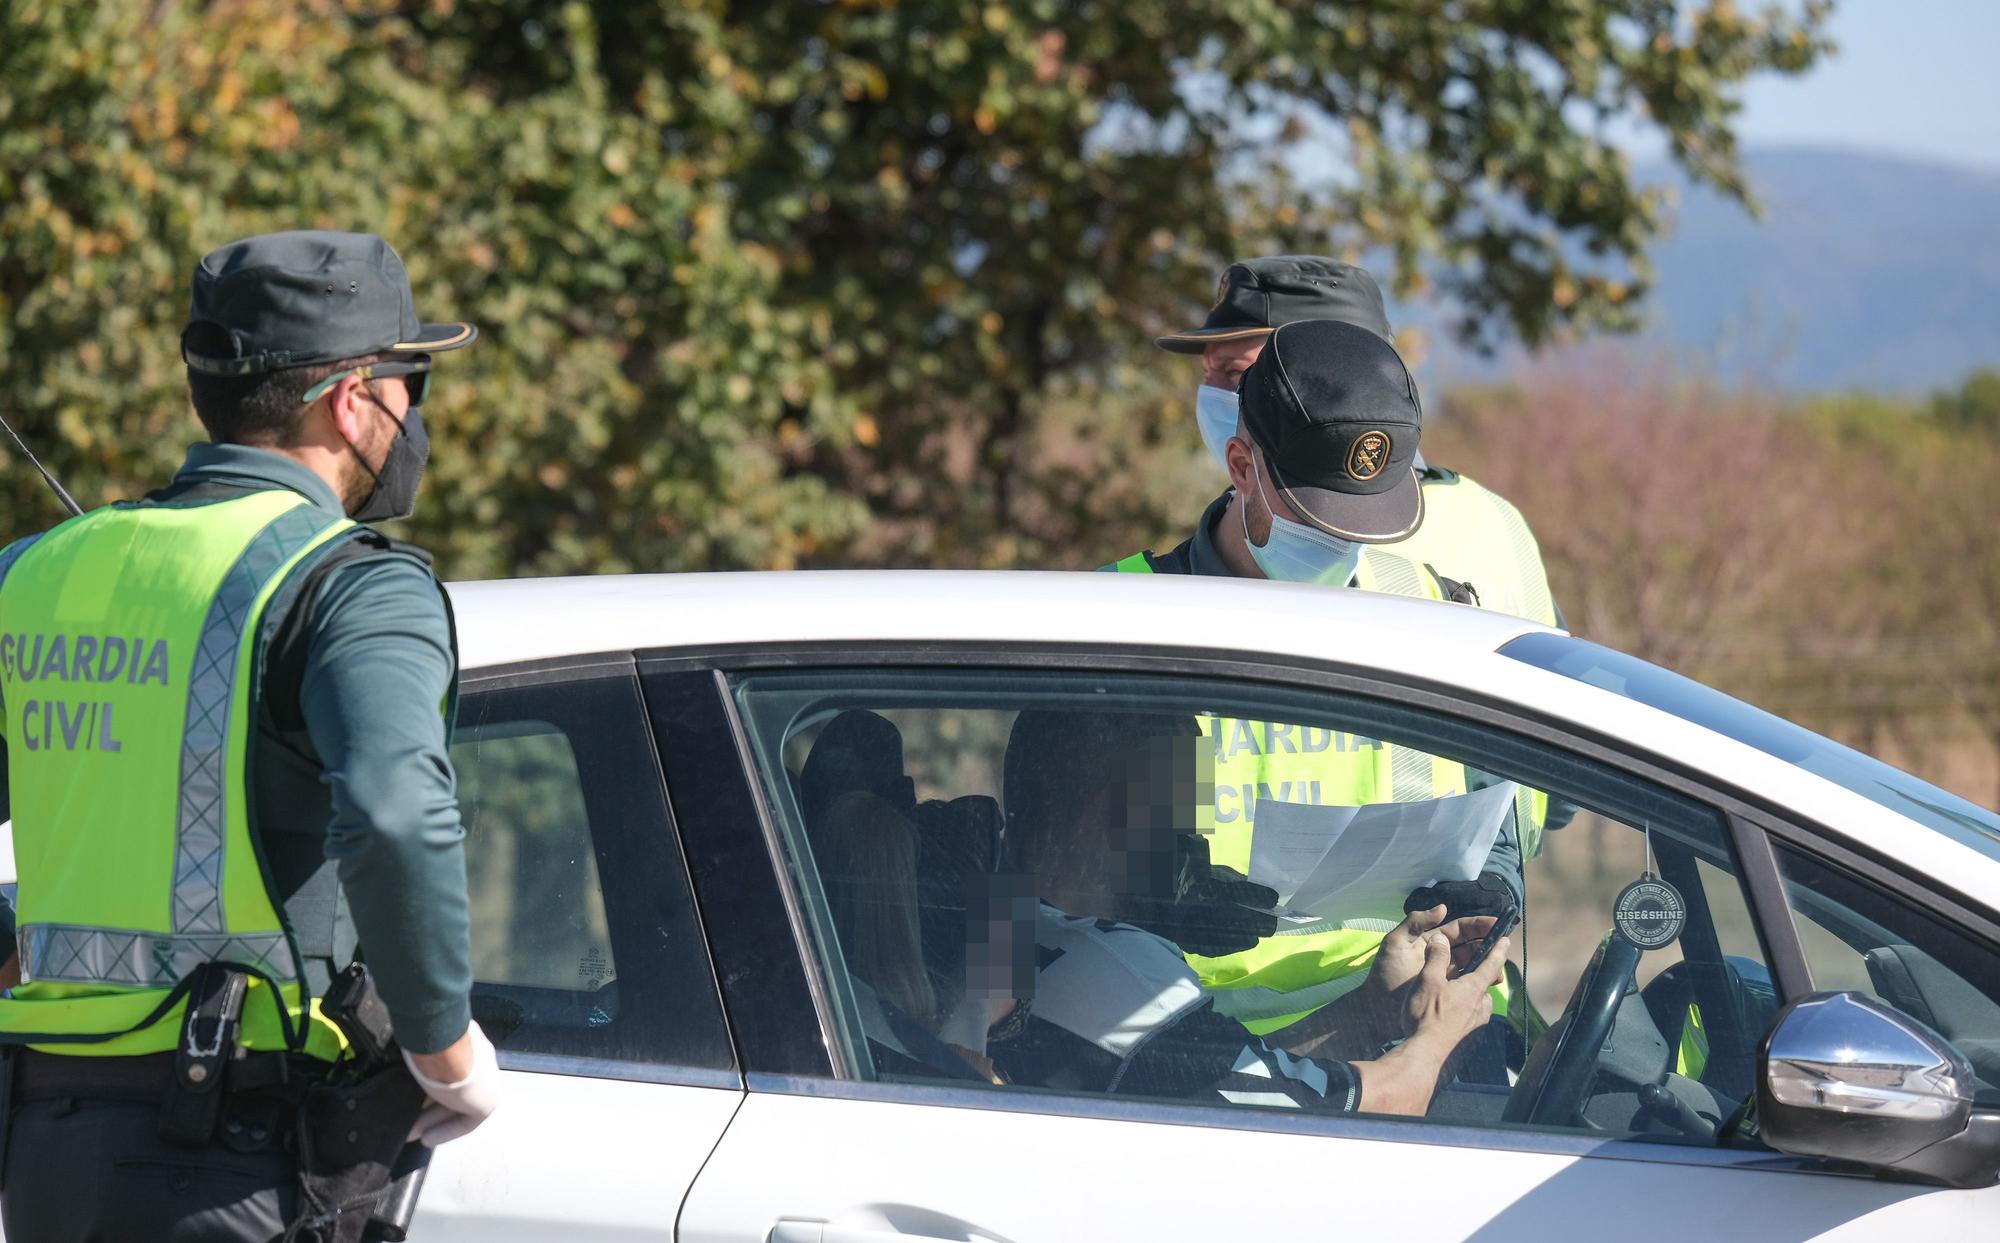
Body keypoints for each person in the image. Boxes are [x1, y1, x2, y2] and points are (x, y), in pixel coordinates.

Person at [0, 230, 499, 1240]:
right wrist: (449, 1053)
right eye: (412, 381)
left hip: (46, 1152)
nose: (415, 415)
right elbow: (396, 817)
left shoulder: (34, 572)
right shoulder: (352, 587)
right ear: (350, 398)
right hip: (239, 1160)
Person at [1104, 316, 1528, 1038]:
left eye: (1360, 524)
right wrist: (1149, 903)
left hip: (1402, 1020)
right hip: (1185, 1055)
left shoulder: (1431, 607)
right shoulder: (1119, 618)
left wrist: (1492, 886)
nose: (1340, 545)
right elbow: (1050, 886)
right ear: (1242, 467)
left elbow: (1497, 822)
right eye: (1314, 521)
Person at [991, 709, 1505, 1116]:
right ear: (1123, 810)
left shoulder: (998, 939)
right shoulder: (1115, 976)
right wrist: (1442, 1034)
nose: (1196, 842)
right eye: (1182, 814)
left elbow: (1227, 1085)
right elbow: (1376, 1108)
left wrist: (1370, 1009)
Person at [1155, 254, 1562, 631]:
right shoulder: (1497, 513)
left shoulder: (1385, 569)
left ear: (1330, 367)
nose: (1209, 392)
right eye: (1209, 371)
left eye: (1239, 373)